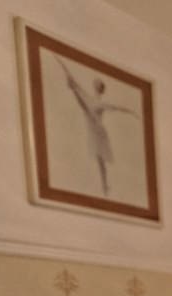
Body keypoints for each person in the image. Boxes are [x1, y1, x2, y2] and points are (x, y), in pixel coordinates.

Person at [56, 56, 139, 196]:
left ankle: (104, 186)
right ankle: (104, 185)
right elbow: (79, 86)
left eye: (98, 84)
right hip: (91, 122)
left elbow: (117, 107)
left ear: (100, 89)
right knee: (82, 102)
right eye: (96, 83)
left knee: (100, 159)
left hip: (97, 129)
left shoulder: (101, 103)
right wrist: (64, 68)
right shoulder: (90, 98)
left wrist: (131, 112)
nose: (96, 85)